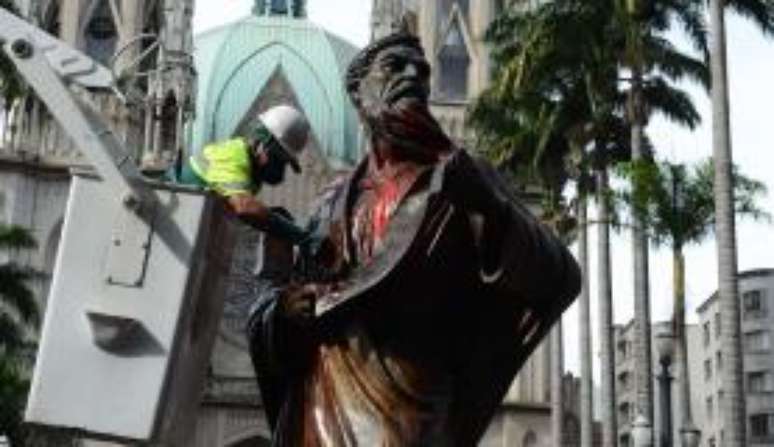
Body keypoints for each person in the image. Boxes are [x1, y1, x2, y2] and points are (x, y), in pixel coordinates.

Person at [247, 29, 581, 446]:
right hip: (320, 416)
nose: (412, 77)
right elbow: (273, 314)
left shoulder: (461, 178)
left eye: (422, 72)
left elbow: (559, 276)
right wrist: (283, 312)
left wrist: (491, 209)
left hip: (413, 423)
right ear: (358, 91)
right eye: (394, 67)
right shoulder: (329, 202)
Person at [173, 104, 313, 245]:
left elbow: (230, 208)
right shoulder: (235, 155)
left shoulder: (250, 172)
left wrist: (271, 216)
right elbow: (243, 207)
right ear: (263, 144)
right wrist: (299, 236)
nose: (280, 171)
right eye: (279, 160)